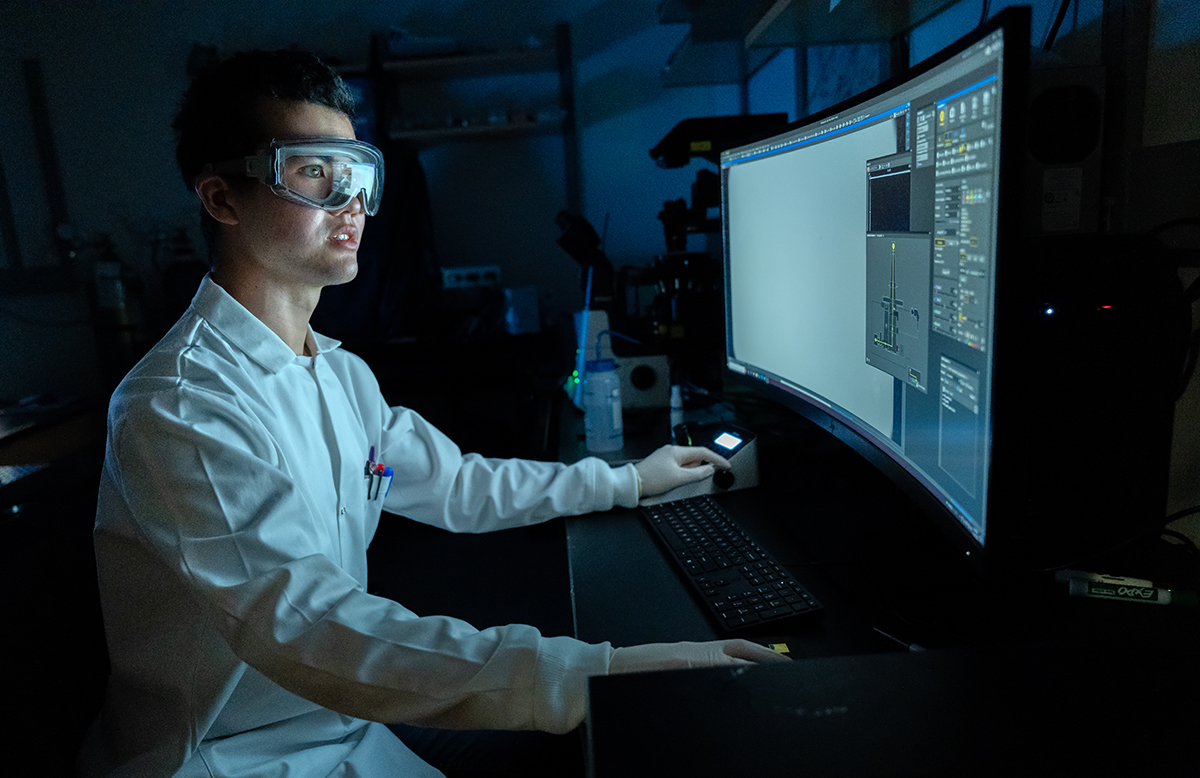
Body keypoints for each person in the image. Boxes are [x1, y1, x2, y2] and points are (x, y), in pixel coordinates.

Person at [78, 50, 788, 778]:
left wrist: (627, 482)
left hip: (348, 725)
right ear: (222, 199)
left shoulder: (339, 374)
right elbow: (308, 625)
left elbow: (456, 485)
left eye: (355, 172)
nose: (349, 201)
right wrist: (599, 675)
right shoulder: (181, 404)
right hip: (232, 760)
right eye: (313, 172)